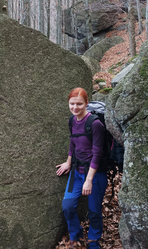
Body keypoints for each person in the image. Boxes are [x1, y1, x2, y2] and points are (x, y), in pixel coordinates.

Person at [56, 87, 108, 249]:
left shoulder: (95, 124)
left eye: (79, 104)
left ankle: (94, 240)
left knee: (94, 211)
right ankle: (76, 236)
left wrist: (89, 180)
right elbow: (73, 141)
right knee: (68, 206)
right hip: (76, 172)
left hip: (95, 175)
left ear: (86, 103)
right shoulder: (72, 121)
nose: (75, 107)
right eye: (72, 104)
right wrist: (68, 162)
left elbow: (97, 153)